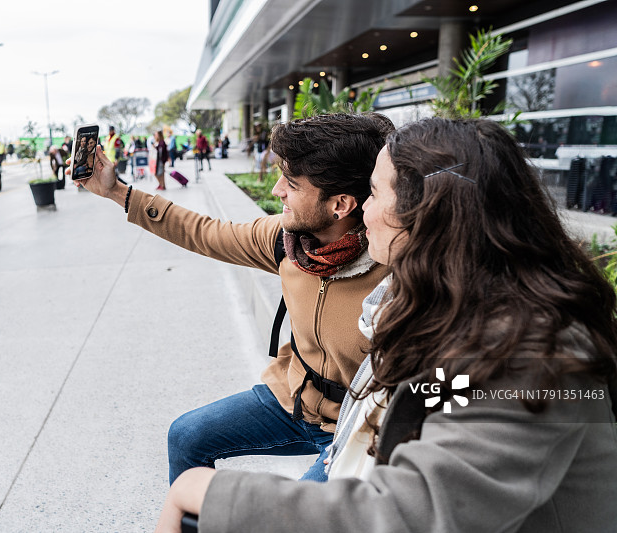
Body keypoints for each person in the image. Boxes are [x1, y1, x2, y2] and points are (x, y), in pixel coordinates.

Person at [154, 117, 617, 533]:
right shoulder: (439, 299)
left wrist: (210, 493)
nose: (364, 211)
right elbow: (433, 398)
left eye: (373, 193)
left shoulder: (529, 353)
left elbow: (413, 513)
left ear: (427, 215)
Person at [70, 112, 394, 485]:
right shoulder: (286, 241)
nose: (276, 191)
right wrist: (116, 191)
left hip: (356, 428)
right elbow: (206, 233)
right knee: (186, 435)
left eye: (291, 183)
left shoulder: (395, 272)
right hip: (291, 400)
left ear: (341, 204)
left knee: (297, 515)